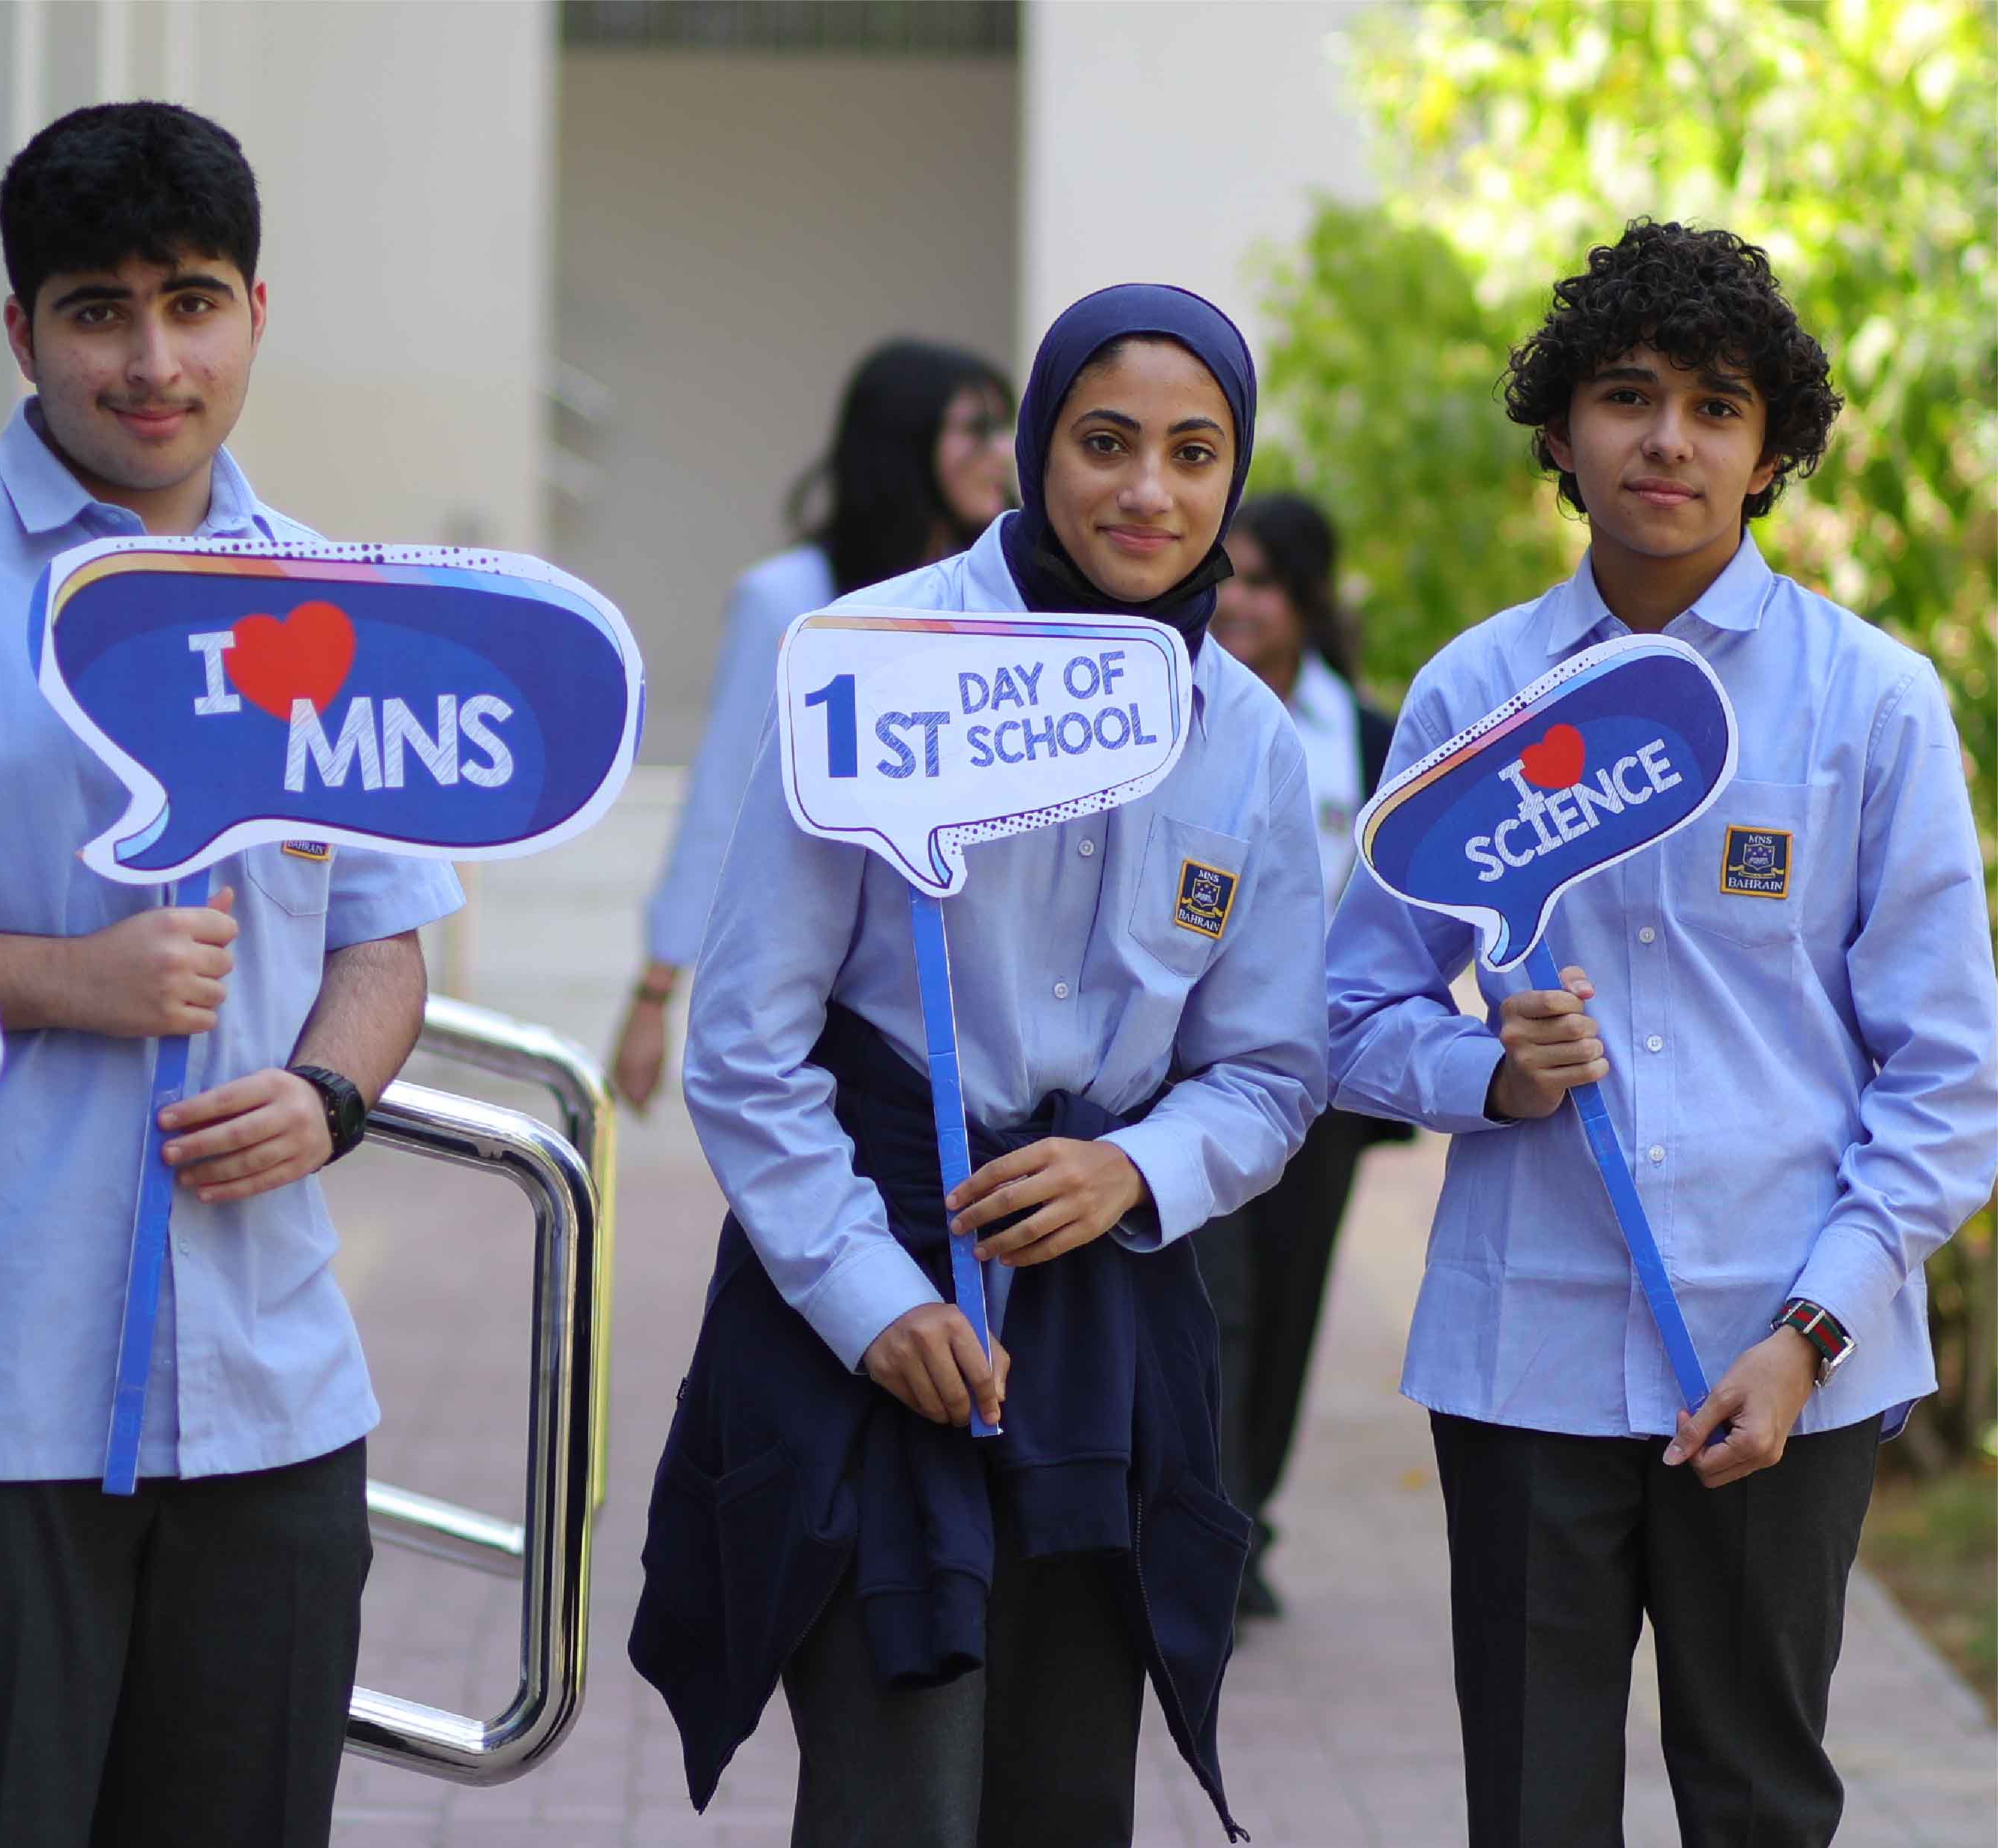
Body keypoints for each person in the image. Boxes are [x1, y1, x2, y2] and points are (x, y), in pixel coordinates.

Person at [0, 101, 461, 1848]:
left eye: (192, 303)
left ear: (255, 313)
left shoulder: (328, 595)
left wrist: (328, 1091)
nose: (152, 362)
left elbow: (381, 933)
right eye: (97, 312)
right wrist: (64, 977)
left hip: (270, 1398)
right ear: (21, 330)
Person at [1325, 220, 1998, 1847]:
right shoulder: (1472, 695)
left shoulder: (1868, 698)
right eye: (1626, 395)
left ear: (1770, 451)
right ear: (1561, 432)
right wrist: (1486, 1072)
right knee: (1531, 1805)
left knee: (1758, 1797)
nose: (1667, 439)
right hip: (1524, 1353)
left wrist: (1812, 1330)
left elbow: (1948, 1074)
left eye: (1715, 405)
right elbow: (1346, 1017)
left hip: (1782, 1348)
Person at [630, 285, 1327, 1848]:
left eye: (1193, 453)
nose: (1146, 490)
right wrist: (874, 1301)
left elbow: (1271, 1070)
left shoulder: (1248, 738)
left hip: (1096, 1322)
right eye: (1103, 441)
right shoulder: (873, 662)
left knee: (1064, 1793)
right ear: (1030, 449)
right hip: (866, 1283)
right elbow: (744, 1043)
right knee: (896, 1792)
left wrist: (1131, 1166)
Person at [609, 339, 1014, 1110]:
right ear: (902, 442)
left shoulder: (1005, 606)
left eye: (1006, 429)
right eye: (976, 429)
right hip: (831, 995)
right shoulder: (789, 600)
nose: (1002, 453)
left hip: (980, 1000)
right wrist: (654, 993)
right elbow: (723, 799)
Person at [1193, 491, 1408, 1620]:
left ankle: (1246, 1516)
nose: (1239, 603)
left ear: (1309, 599)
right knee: (1214, 1301)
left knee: (1287, 1307)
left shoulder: (1370, 738)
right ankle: (1203, 1526)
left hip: (1323, 1080)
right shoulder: (1174, 711)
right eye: (1227, 577)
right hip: (1190, 1073)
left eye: (1266, 582)